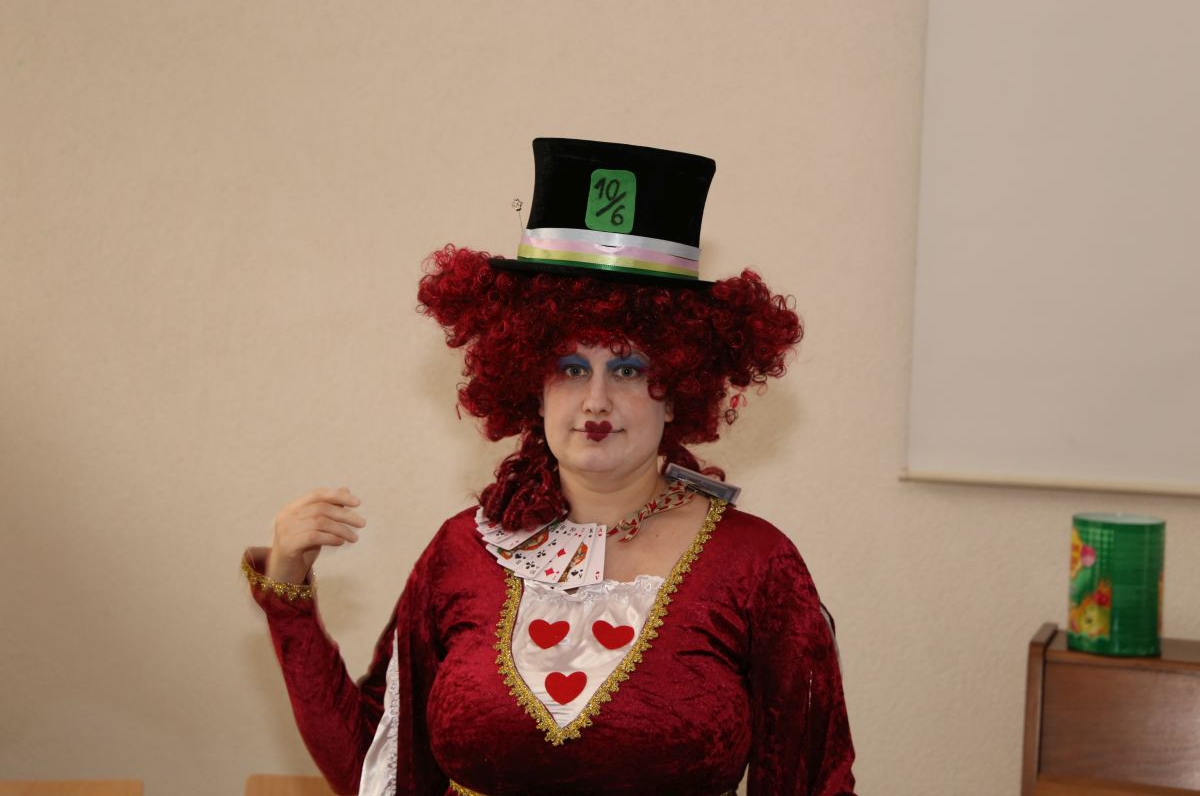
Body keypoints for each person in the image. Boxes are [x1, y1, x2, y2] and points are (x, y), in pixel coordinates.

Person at [243, 138, 856, 795]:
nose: (596, 400)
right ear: (531, 386)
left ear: (679, 389)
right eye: (570, 368)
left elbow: (812, 779)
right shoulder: (462, 551)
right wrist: (288, 591)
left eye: (628, 368)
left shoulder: (757, 566)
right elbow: (378, 765)